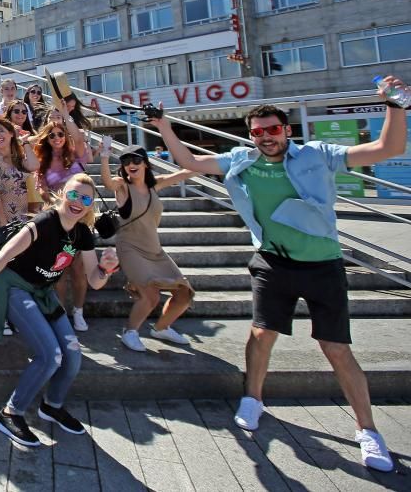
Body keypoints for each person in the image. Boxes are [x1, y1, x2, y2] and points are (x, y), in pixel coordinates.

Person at [148, 81, 408, 472]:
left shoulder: (318, 154)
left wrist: (394, 106)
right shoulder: (243, 160)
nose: (266, 137)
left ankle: (368, 431)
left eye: (273, 129)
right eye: (258, 132)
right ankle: (252, 398)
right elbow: (192, 161)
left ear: (286, 129)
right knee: (260, 333)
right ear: (250, 135)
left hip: (323, 264)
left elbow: (387, 150)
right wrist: (164, 125)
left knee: (336, 348)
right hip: (273, 261)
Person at [0, 173, 119, 447]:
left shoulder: (82, 234)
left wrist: (106, 269)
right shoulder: (43, 223)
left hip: (43, 293)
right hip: (15, 288)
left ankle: (52, 406)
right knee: (50, 355)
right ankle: (10, 413)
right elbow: (4, 254)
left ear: (91, 205)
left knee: (73, 355)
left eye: (85, 198)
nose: (78, 202)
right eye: (73, 194)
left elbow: (94, 280)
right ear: (62, 194)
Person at [100, 142, 197, 351]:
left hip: (154, 249)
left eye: (136, 160)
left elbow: (186, 172)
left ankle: (161, 328)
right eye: (126, 162)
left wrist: (219, 163)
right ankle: (130, 331)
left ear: (145, 163)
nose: (131, 165)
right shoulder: (123, 186)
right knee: (150, 296)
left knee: (184, 294)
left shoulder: (155, 185)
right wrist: (105, 155)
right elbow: (107, 182)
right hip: (130, 248)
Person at [34, 119, 90, 331]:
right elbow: (41, 188)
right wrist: (54, 202)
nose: (57, 138)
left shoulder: (75, 154)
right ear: (46, 139)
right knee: (59, 269)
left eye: (60, 134)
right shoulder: (43, 161)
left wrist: (66, 115)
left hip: (82, 218)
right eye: (52, 135)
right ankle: (61, 313)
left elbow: (79, 138)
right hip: (59, 219)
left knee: (78, 269)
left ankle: (79, 311)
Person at [0, 117, 39, 228]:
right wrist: (3, 222)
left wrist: (25, 141)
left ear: (11, 133)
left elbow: (34, 166)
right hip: (5, 220)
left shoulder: (18, 157)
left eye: (1, 131)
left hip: (24, 217)